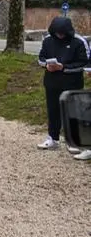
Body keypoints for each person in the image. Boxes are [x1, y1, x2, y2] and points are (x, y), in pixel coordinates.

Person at [36, 16, 88, 151]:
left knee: (72, 111)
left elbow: (84, 63)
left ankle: (73, 141)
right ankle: (53, 138)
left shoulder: (79, 41)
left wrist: (64, 67)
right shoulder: (47, 40)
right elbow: (41, 58)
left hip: (72, 83)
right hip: (52, 82)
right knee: (53, 111)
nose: (60, 35)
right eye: (57, 32)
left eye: (62, 32)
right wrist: (46, 65)